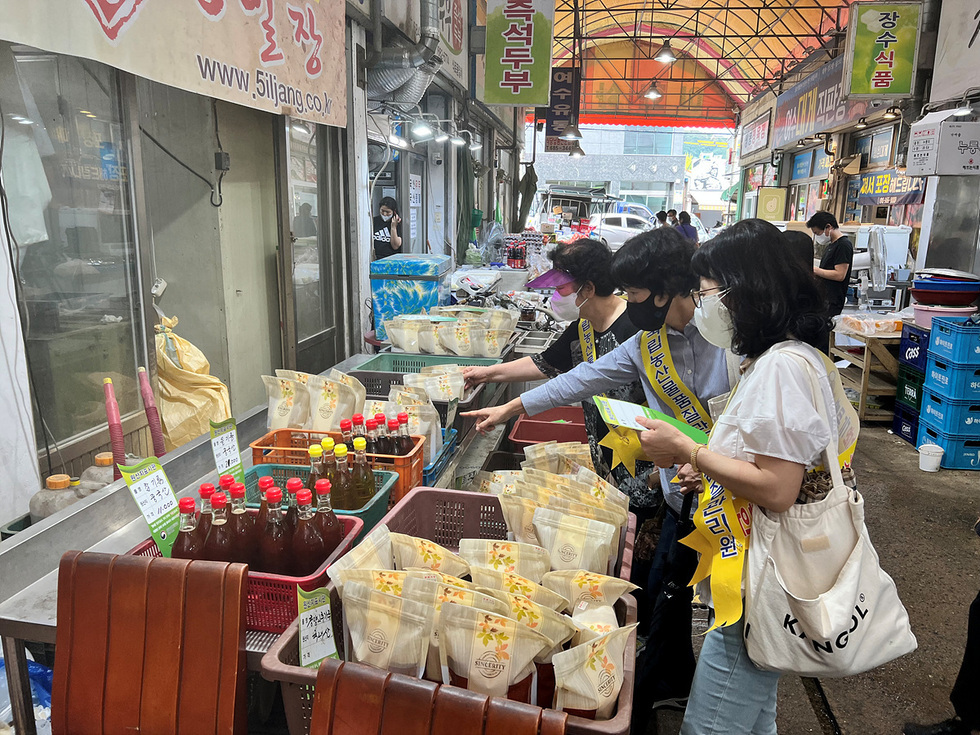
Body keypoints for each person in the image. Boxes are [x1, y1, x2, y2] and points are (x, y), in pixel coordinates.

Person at [463, 228, 731, 718]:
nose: (628, 301)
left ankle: (683, 694)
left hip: (729, 500)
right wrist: (512, 407)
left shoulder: (727, 340)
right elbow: (581, 377)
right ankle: (668, 686)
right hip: (679, 499)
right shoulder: (646, 343)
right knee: (670, 592)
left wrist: (707, 458)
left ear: (668, 287)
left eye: (634, 291)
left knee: (720, 612)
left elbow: (747, 420)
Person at [635, 218, 852, 735]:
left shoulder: (781, 367)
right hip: (759, 579)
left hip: (761, 585)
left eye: (707, 291)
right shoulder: (790, 357)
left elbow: (779, 489)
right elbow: (769, 462)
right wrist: (705, 467)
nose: (702, 303)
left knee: (709, 726)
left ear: (745, 292)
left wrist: (689, 448)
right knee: (757, 718)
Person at [462, 238, 657, 525]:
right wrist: (489, 373)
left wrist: (510, 407)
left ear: (588, 288)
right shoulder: (584, 326)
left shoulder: (634, 328)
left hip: (644, 461)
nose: (555, 295)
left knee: (639, 529)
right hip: (606, 457)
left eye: (561, 287)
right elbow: (546, 363)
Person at [808, 211, 853, 318]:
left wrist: (814, 270)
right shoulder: (831, 245)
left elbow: (840, 275)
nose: (818, 237)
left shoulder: (843, 245)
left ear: (828, 227)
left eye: (817, 233)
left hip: (833, 301)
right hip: (824, 298)